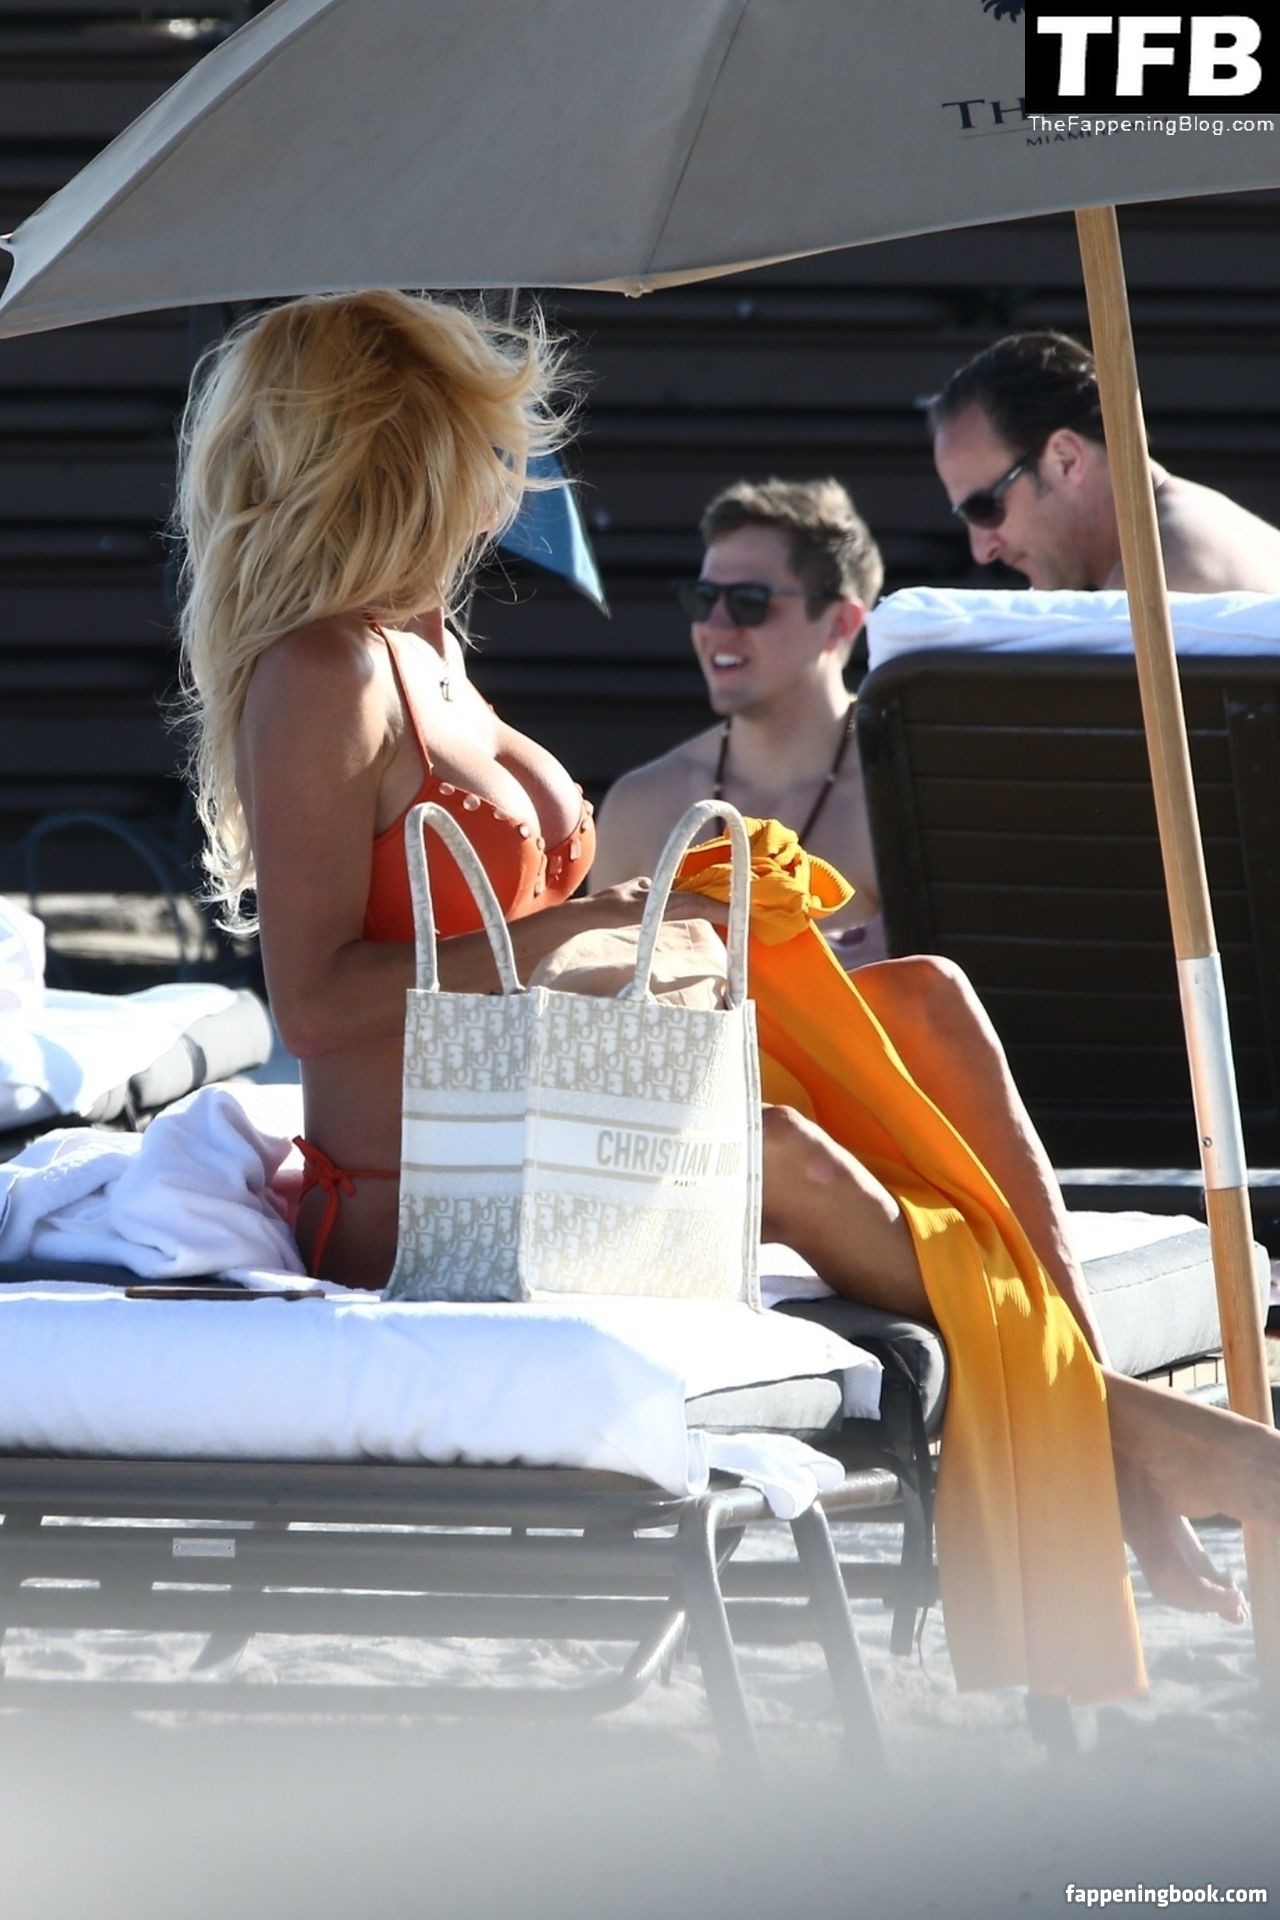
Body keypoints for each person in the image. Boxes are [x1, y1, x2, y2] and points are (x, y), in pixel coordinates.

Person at [173, 288, 1280, 1646]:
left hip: (538, 1116)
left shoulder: (425, 645)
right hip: (415, 1195)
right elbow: (312, 1002)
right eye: (479, 435)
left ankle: (1097, 1414)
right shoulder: (321, 672)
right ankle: (1128, 1438)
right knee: (777, 1147)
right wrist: (574, 927)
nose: (508, 469)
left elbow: (502, 937)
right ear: (394, 450)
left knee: (928, 1000)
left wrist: (669, 928)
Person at [592, 478, 887, 965]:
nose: (714, 626)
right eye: (703, 598)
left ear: (840, 623)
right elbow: (594, 995)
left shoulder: (896, 801)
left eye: (749, 602)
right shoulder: (641, 806)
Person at [929, 331, 1280, 594]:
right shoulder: (1196, 524)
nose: (982, 551)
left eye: (983, 508)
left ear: (1066, 460)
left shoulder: (1160, 572)